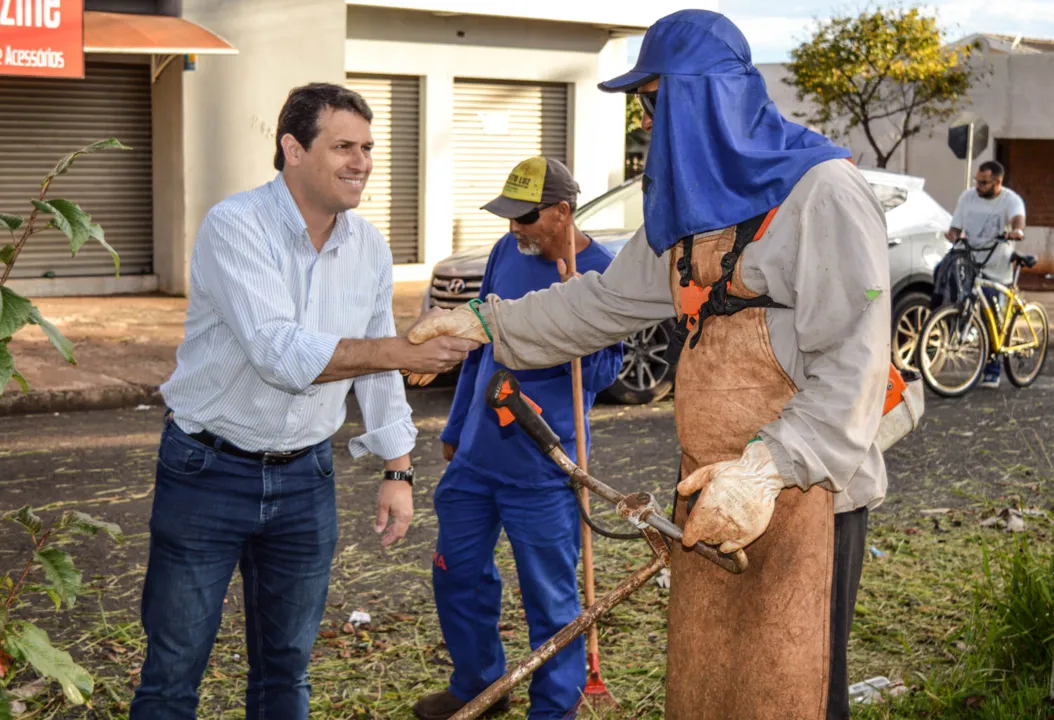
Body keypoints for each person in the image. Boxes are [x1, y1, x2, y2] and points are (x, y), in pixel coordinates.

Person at [406, 11, 890, 720]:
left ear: (710, 100)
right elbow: (600, 302)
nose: (649, 122)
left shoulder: (823, 194)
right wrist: (486, 322)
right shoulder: (689, 211)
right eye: (644, 104)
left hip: (802, 492)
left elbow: (856, 362)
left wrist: (767, 469)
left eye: (659, 102)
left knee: (794, 692)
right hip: (706, 487)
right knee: (713, 681)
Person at [129, 82, 480, 720]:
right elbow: (281, 355)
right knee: (174, 668)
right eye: (343, 145)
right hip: (207, 471)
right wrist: (400, 351)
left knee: (286, 669)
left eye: (368, 147)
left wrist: (397, 467)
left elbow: (373, 366)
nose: (362, 161)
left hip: (305, 479)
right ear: (293, 149)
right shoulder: (236, 225)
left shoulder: (369, 246)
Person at [411, 157, 623, 720]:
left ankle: (553, 710)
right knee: (455, 571)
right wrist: (457, 427)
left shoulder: (601, 273)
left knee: (550, 601)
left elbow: (602, 377)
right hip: (476, 460)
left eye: (525, 217)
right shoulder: (507, 254)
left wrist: (583, 327)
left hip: (544, 469)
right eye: (508, 216)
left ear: (562, 211)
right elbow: (481, 342)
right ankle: (480, 688)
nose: (514, 229)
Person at [945, 160, 1027, 387]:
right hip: (971, 260)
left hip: (997, 266)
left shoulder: (1010, 200)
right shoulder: (968, 197)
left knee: (992, 315)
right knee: (955, 292)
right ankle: (963, 331)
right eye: (977, 181)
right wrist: (952, 235)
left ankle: (993, 369)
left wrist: (1017, 231)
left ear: (997, 182)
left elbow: (1018, 219)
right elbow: (955, 228)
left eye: (983, 182)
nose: (978, 186)